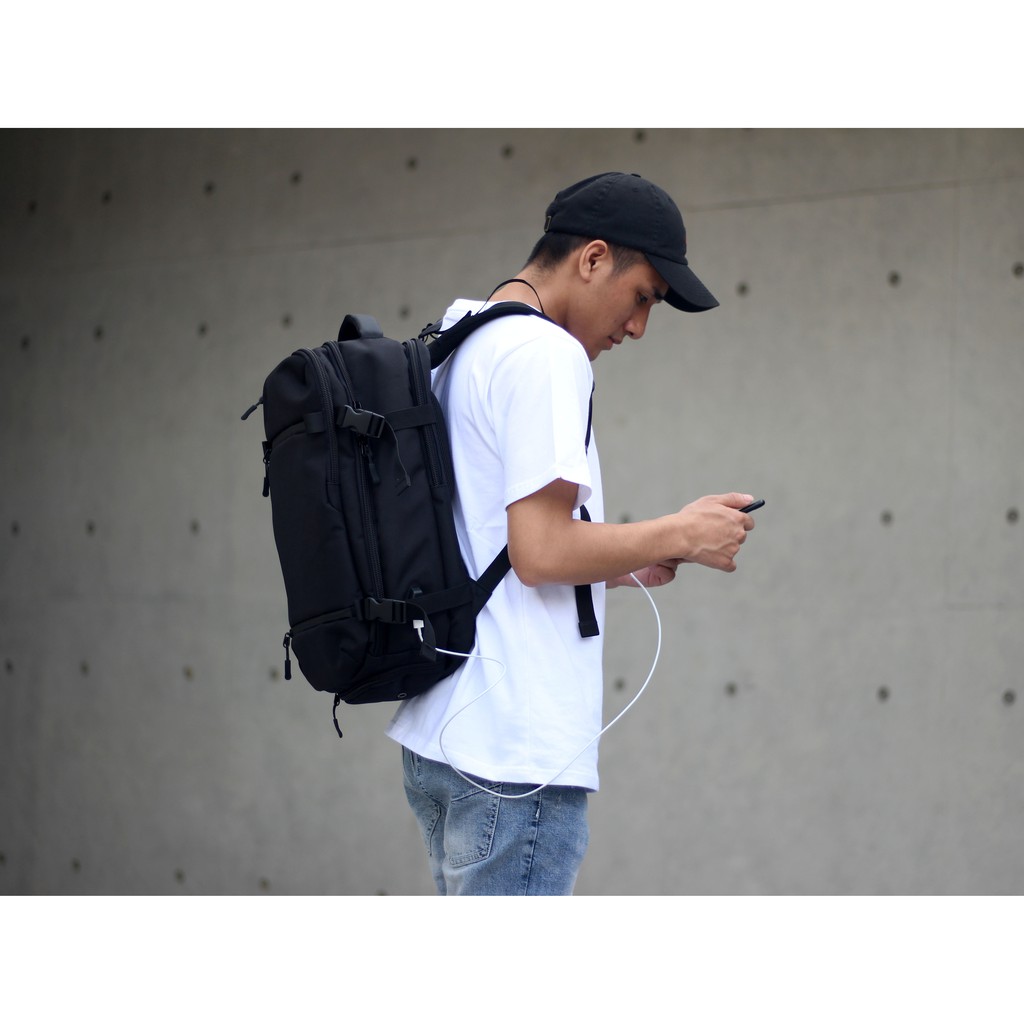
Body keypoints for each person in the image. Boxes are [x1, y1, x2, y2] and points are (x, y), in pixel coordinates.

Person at [386, 171, 756, 895]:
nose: (639, 327)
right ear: (592, 259)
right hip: (514, 756)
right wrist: (679, 531)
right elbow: (542, 551)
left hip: (448, 736)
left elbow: (491, 540)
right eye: (643, 296)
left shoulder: (464, 336)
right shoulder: (545, 354)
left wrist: (635, 559)